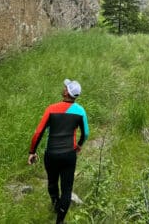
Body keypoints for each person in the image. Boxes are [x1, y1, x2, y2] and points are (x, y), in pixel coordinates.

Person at [28, 79, 89, 223]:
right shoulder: (80, 111)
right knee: (67, 189)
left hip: (52, 154)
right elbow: (86, 133)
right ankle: (60, 220)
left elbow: (38, 132)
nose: (63, 88)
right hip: (69, 154)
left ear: (67, 92)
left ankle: (55, 205)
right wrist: (79, 144)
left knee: (52, 182)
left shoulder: (51, 108)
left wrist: (32, 151)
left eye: (65, 87)